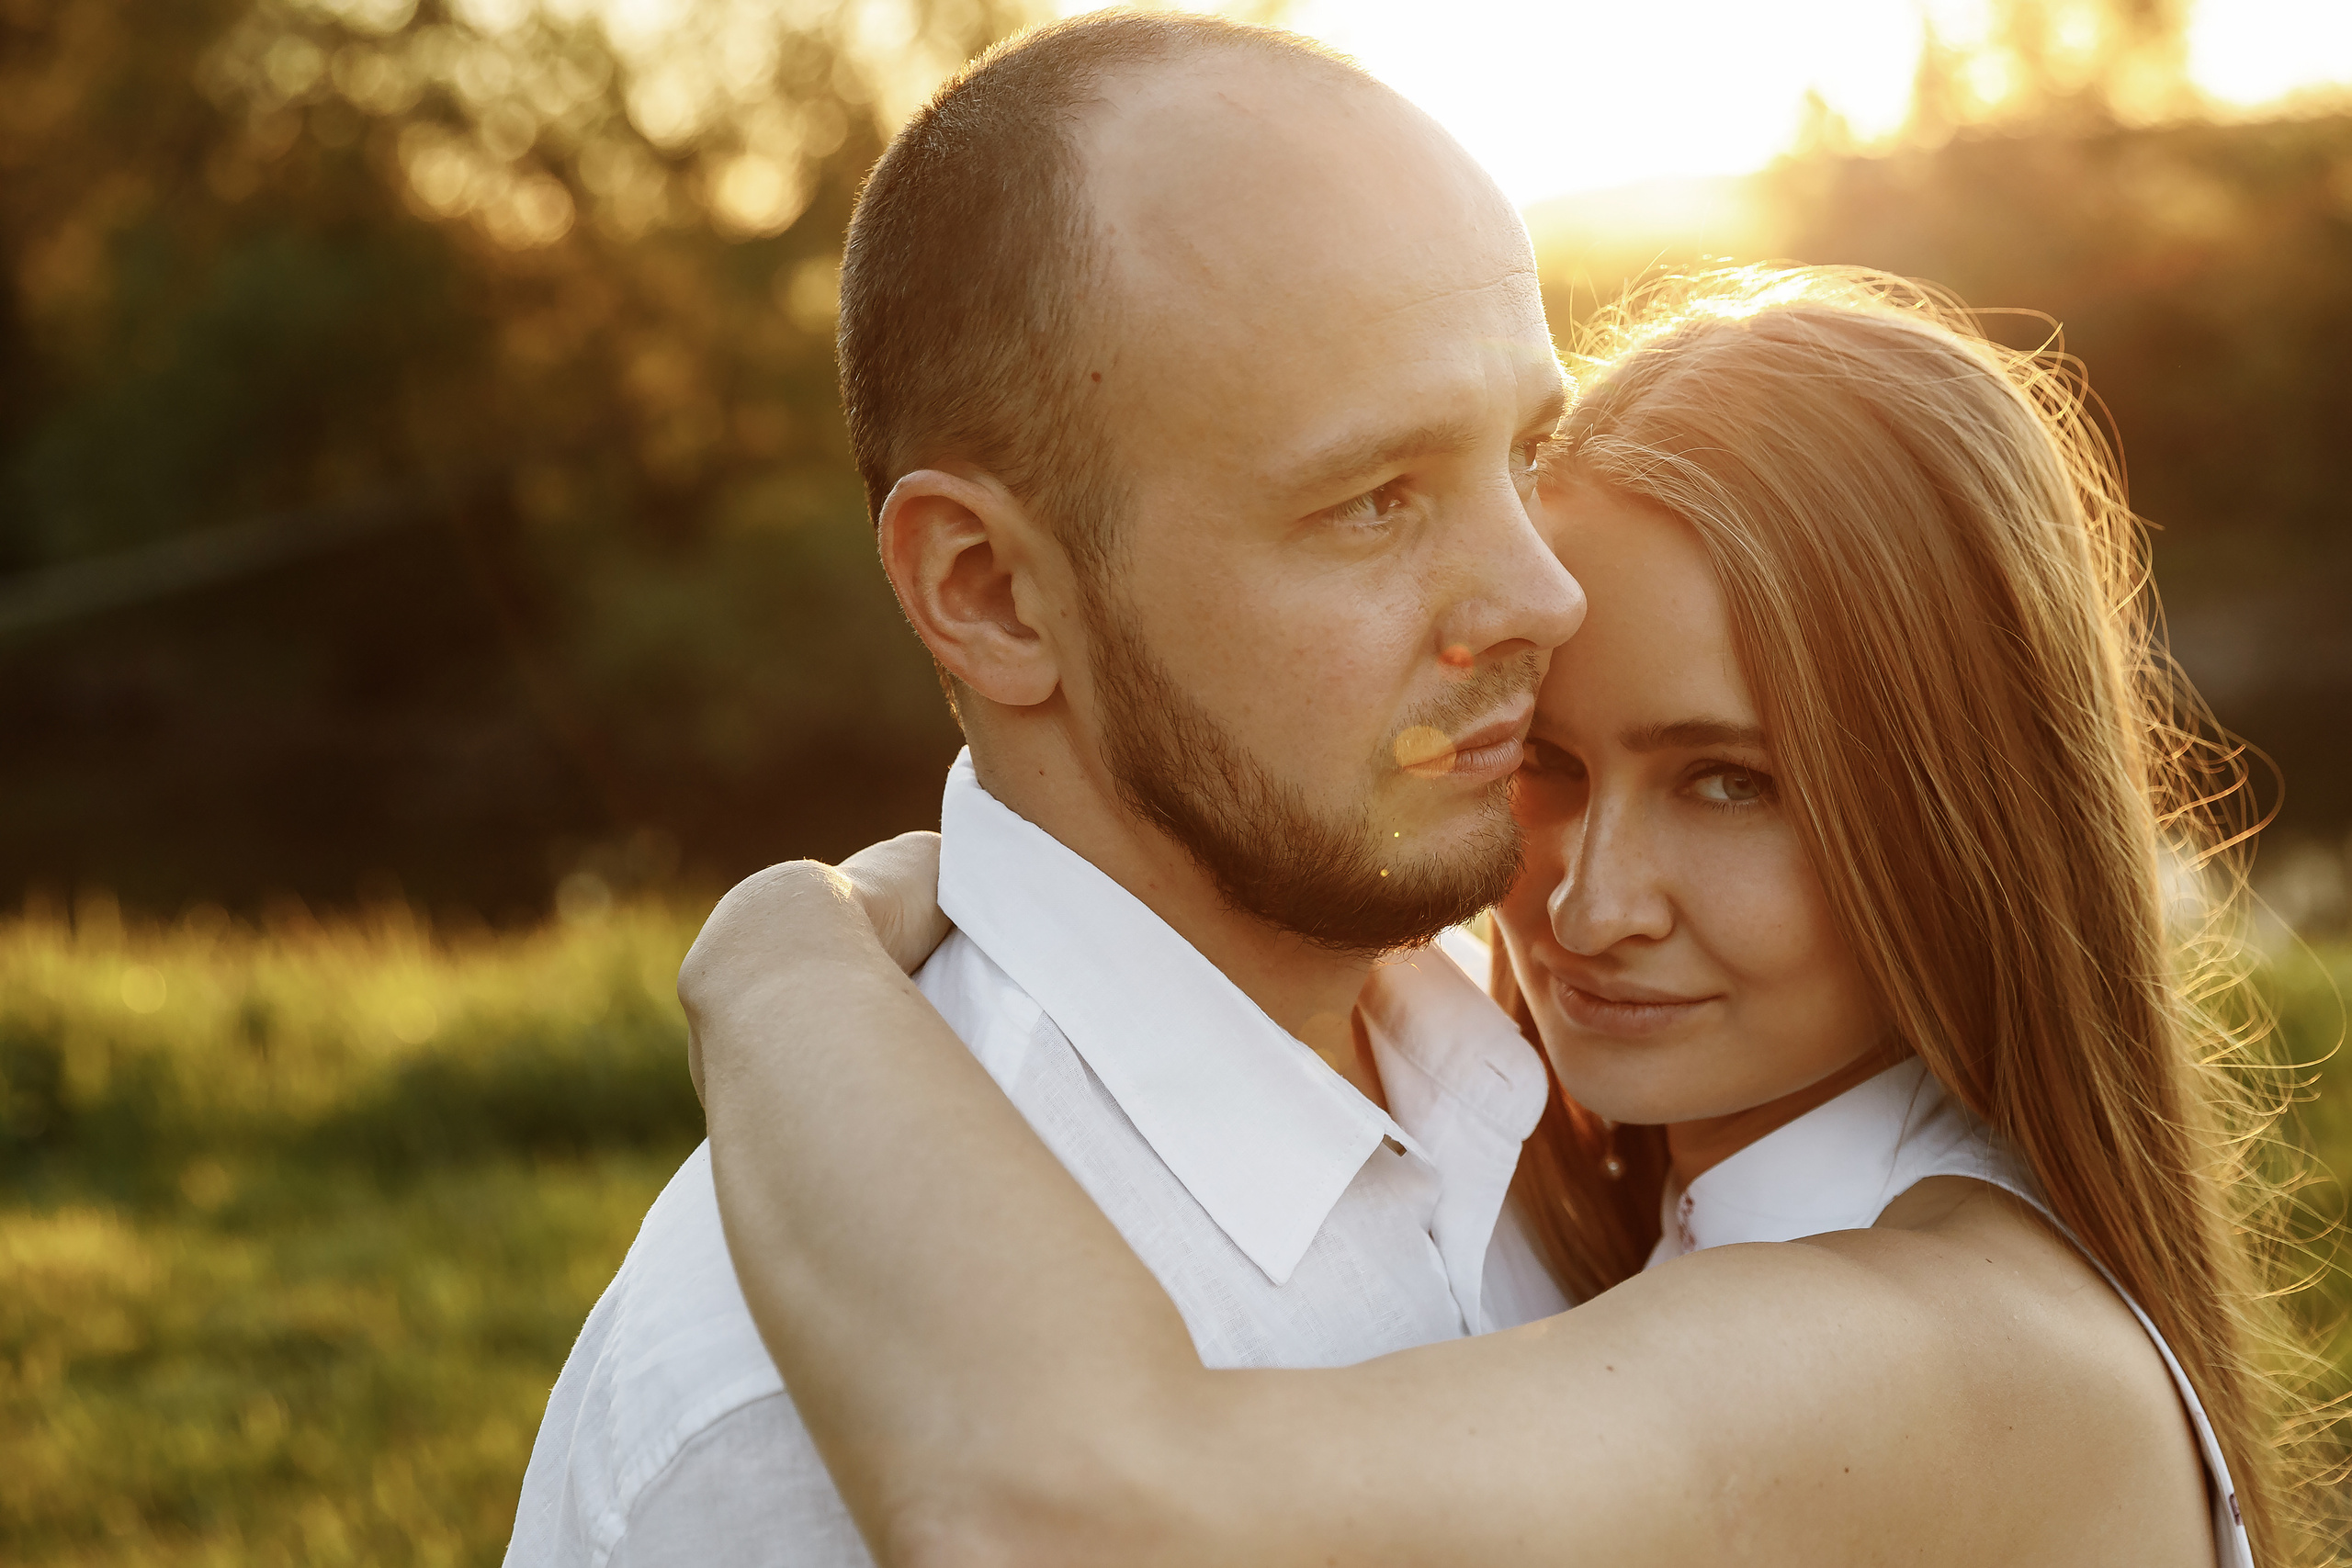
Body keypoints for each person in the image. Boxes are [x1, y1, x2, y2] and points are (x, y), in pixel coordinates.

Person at [688, 268, 2321, 1566]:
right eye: (1542, 764)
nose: (1590, 906)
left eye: (1731, 783)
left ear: (1965, 815)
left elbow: (1072, 1519)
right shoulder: (1655, 1185)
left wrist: (772, 960)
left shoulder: (1951, 1352)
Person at [505, 13, 1590, 1563]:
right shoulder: (775, 1436)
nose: (1542, 594)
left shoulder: (1581, 1073)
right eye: (1377, 501)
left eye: (1528, 454)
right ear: (991, 592)